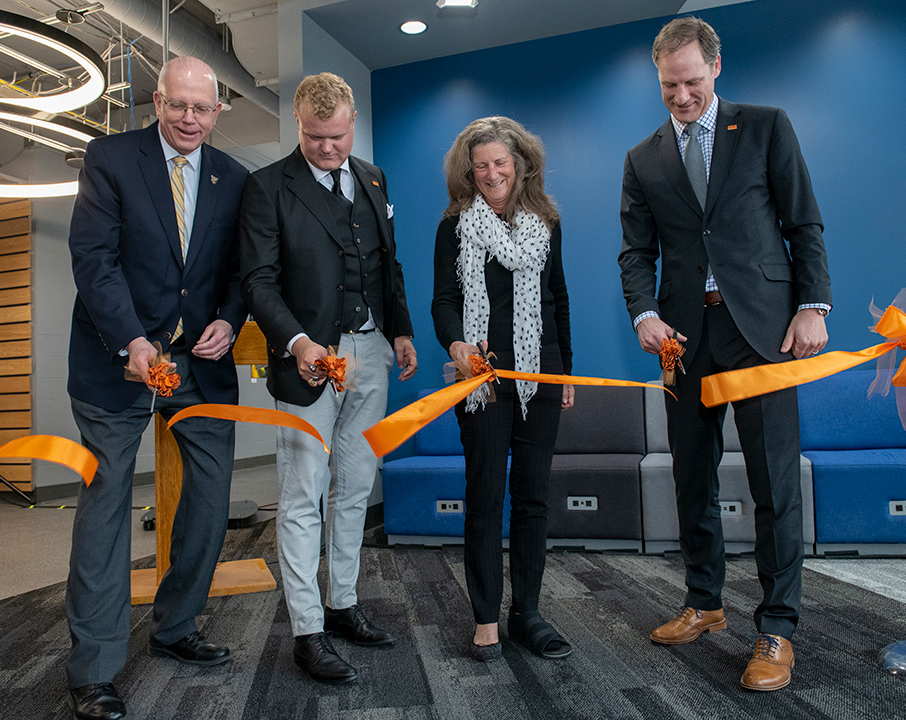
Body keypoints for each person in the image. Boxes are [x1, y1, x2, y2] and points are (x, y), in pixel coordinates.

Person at [619, 17, 831, 691]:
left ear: (716, 68)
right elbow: (636, 252)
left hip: (764, 332)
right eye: (668, 86)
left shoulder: (766, 126)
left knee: (773, 482)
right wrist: (645, 314)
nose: (681, 97)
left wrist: (812, 307)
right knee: (692, 478)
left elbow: (804, 222)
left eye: (691, 82)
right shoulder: (643, 156)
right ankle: (705, 602)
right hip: (686, 340)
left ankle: (776, 628)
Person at [64, 56, 249, 720]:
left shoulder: (235, 177)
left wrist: (230, 319)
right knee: (108, 501)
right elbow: (93, 257)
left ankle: (176, 627)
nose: (191, 120)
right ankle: (93, 668)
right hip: (115, 355)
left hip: (200, 365)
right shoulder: (110, 158)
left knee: (211, 492)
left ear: (218, 110)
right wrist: (134, 340)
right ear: (156, 100)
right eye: (179, 106)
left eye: (204, 109)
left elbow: (240, 269)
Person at [239, 72, 417, 685]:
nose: (328, 149)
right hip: (305, 360)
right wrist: (298, 341)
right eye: (316, 138)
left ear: (352, 124)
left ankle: (343, 604)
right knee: (301, 496)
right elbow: (258, 282)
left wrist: (401, 329)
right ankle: (307, 630)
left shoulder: (372, 177)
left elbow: (386, 260)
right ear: (298, 125)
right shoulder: (267, 188)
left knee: (355, 486)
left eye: (338, 136)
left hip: (370, 352)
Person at [432, 117, 575, 662]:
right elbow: (444, 300)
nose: (492, 173)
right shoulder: (455, 226)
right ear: (469, 171)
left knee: (534, 499)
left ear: (521, 165)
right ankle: (487, 617)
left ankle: (528, 614)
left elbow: (558, 299)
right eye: (482, 165)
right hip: (483, 381)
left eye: (501, 162)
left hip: (541, 376)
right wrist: (457, 347)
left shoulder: (547, 222)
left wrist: (564, 374)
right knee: (487, 496)